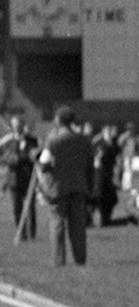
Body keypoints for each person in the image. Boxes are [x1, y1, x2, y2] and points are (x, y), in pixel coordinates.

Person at [37, 109, 95, 266]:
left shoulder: (53, 140)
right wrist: (89, 187)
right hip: (79, 187)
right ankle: (80, 260)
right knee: (78, 227)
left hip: (58, 189)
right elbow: (90, 167)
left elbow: (43, 164)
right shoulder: (84, 140)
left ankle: (59, 261)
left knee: (57, 225)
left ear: (58, 120)